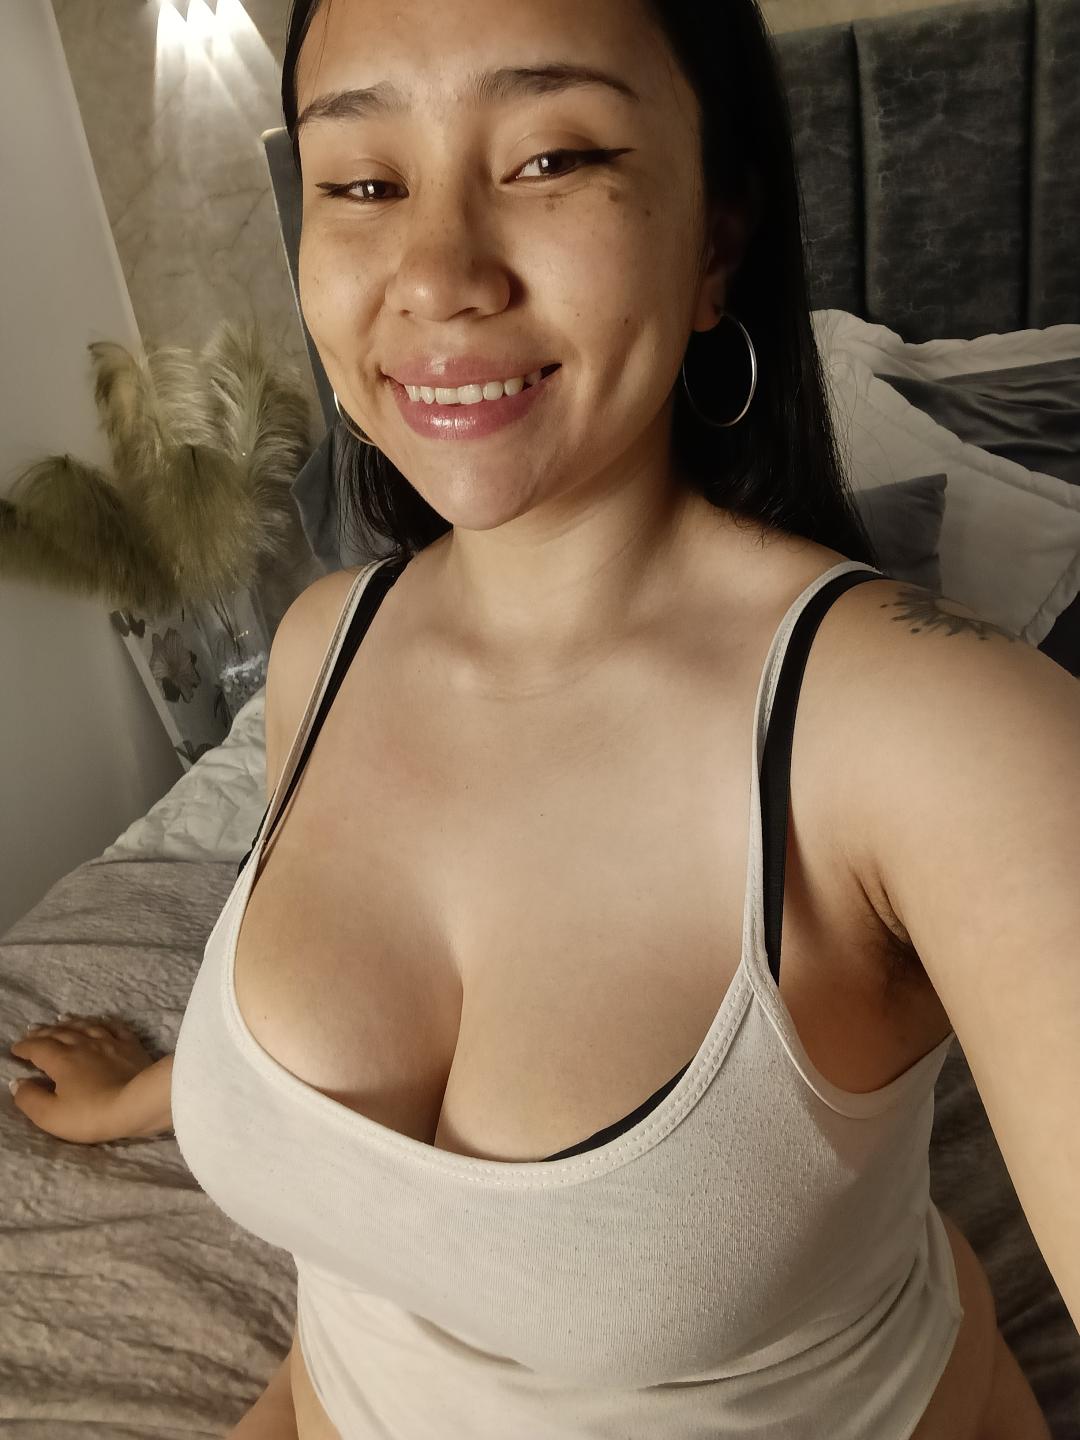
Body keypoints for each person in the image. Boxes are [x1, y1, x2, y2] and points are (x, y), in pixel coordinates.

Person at [9, 1, 1069, 1436]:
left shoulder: (935, 730)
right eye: (362, 181)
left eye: (553, 158)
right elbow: (337, 1061)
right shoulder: (324, 645)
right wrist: (152, 1094)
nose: (436, 277)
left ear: (715, 241)